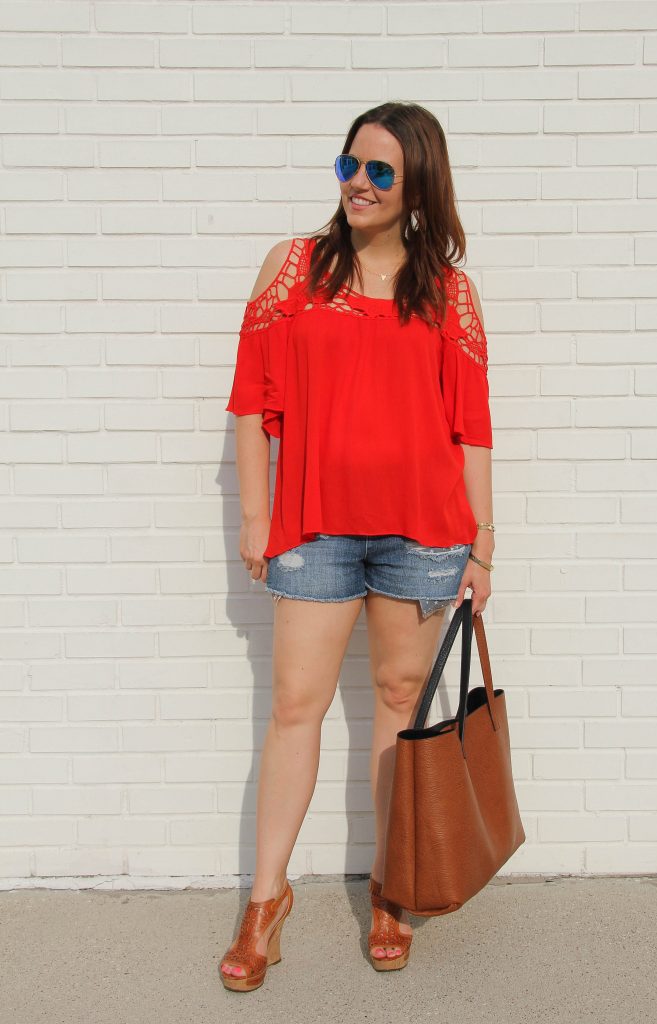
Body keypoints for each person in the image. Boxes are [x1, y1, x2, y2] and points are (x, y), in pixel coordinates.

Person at [218, 101, 495, 992]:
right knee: (295, 704)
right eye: (349, 166)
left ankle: (390, 887)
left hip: (421, 534)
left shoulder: (447, 289)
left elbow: (471, 429)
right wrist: (256, 519)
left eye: (380, 172)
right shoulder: (293, 267)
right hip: (315, 528)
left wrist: (481, 548)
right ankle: (266, 900)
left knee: (397, 703)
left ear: (417, 185)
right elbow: (251, 406)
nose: (359, 185)